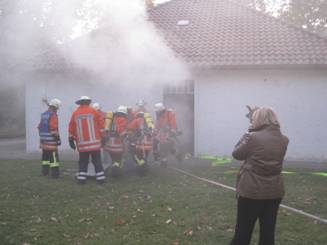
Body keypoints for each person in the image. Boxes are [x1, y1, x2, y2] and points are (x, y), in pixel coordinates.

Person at [230, 107, 289, 245]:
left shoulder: (252, 137)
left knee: (242, 234)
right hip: (275, 191)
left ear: (257, 120)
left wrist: (248, 132)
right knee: (268, 234)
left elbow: (236, 154)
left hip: (252, 191)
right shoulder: (284, 139)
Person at [68, 96, 106, 184]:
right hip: (95, 144)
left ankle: (81, 179)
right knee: (97, 161)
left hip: (82, 145)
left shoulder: (75, 113)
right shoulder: (94, 112)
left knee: (83, 162)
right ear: (88, 103)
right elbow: (101, 126)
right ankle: (101, 179)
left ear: (80, 103)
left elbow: (71, 128)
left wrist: (71, 139)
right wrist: (103, 137)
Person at [38, 98, 62, 178]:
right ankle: (55, 174)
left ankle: (45, 172)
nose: (58, 109)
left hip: (44, 141)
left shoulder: (44, 114)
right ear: (55, 107)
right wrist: (58, 139)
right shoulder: (53, 115)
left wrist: (43, 137)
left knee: (45, 158)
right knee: (54, 158)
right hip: (51, 141)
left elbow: (39, 127)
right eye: (57, 108)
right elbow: (53, 128)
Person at [103, 105, 128, 177]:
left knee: (113, 158)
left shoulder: (112, 118)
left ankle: (115, 168)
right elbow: (121, 131)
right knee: (119, 158)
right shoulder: (123, 119)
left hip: (110, 143)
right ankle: (117, 171)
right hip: (118, 143)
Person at [126, 111, 153, 175]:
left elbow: (129, 131)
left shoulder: (135, 121)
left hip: (139, 143)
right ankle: (144, 165)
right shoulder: (149, 122)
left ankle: (142, 167)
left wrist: (130, 138)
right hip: (148, 144)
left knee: (134, 153)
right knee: (144, 156)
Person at [153, 102, 177, 167]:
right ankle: (157, 159)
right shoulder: (159, 116)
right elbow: (157, 126)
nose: (157, 113)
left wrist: (172, 130)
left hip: (170, 132)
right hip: (163, 132)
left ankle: (164, 159)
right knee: (155, 141)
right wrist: (154, 132)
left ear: (161, 110)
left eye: (157, 111)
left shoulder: (170, 113)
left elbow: (173, 123)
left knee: (164, 144)